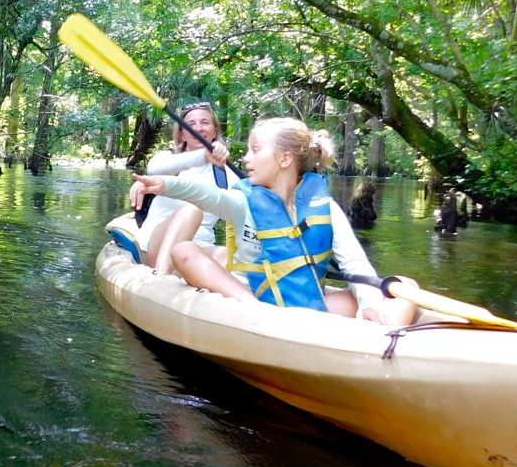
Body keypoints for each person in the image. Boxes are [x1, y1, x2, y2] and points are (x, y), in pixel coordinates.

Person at [132, 117, 416, 324]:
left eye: (255, 150)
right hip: (252, 296)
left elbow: (356, 266)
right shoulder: (243, 202)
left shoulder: (325, 208)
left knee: (405, 286)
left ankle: (383, 338)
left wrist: (368, 304)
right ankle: (255, 309)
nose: (245, 158)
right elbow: (207, 195)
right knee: (184, 250)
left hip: (306, 303)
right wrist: (166, 184)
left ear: (285, 159)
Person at [130, 103, 240, 276]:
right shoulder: (167, 159)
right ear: (182, 134)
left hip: (198, 249)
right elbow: (154, 169)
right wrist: (203, 156)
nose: (198, 128)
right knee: (191, 210)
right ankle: (160, 277)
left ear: (215, 131)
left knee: (232, 259)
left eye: (205, 122)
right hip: (156, 246)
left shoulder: (228, 176)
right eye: (191, 123)